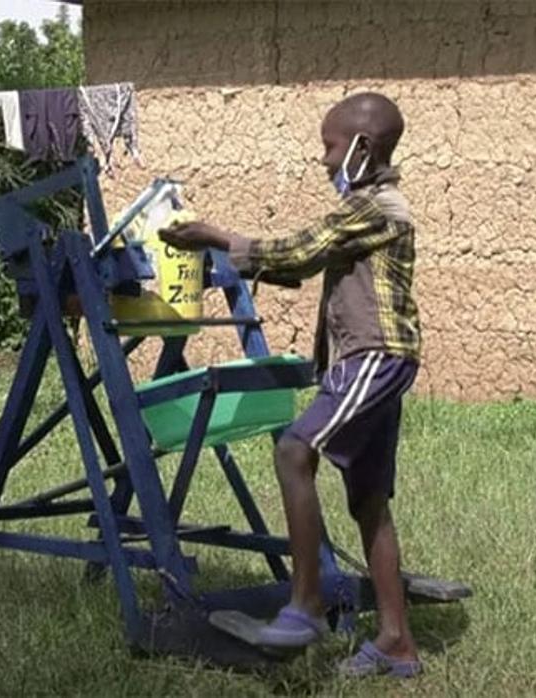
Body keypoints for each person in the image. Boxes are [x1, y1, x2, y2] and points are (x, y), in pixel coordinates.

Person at [159, 92, 424, 678]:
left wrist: (214, 236)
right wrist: (235, 255)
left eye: (330, 147)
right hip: (376, 361)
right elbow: (302, 265)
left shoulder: (373, 208)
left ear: (361, 147)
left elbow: (301, 251)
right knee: (367, 498)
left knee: (293, 449)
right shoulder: (371, 209)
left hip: (373, 360)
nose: (324, 161)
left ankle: (304, 606)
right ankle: (396, 643)